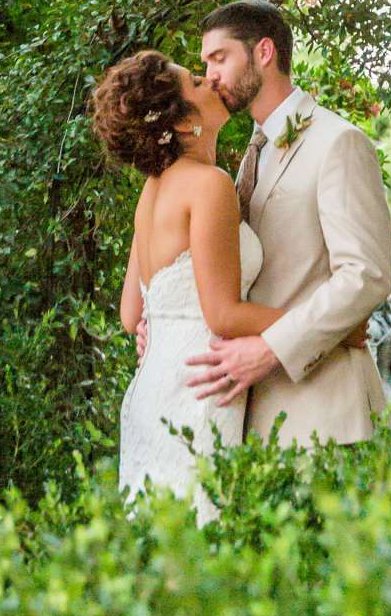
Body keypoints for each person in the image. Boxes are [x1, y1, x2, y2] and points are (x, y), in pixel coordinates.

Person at [184, 0, 391, 450]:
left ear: (263, 52)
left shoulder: (339, 142)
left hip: (330, 415)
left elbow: (366, 275)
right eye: (205, 63)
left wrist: (272, 348)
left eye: (219, 58)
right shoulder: (249, 157)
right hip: (257, 419)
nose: (211, 74)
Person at [92, 47, 274, 521]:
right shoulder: (207, 184)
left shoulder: (152, 191)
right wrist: (323, 320)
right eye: (195, 81)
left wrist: (162, 328)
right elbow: (224, 315)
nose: (210, 81)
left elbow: (131, 314)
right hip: (199, 388)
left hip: (156, 389)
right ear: (177, 123)